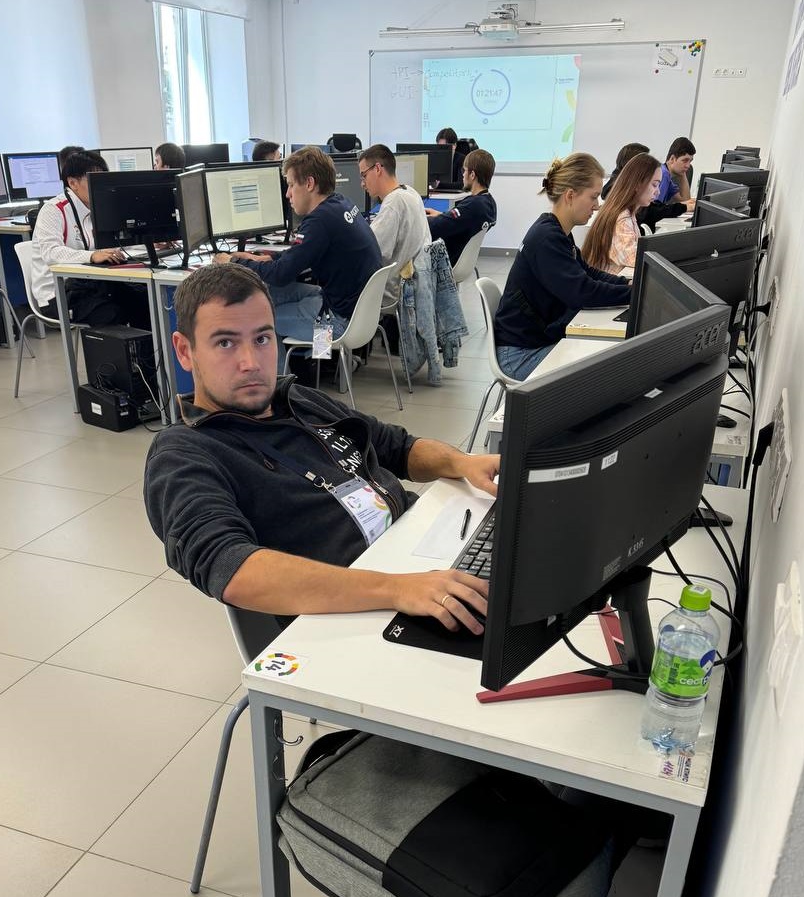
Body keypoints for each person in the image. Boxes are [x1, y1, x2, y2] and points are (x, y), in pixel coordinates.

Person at [143, 263, 498, 636]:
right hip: (355, 615)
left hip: (412, 562)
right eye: (225, 343)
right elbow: (231, 567)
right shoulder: (183, 453)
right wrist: (397, 589)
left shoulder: (297, 399)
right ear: (185, 351)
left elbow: (397, 446)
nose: (251, 363)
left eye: (262, 339)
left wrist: (464, 463)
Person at [212, 146, 381, 355]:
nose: (287, 194)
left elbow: (281, 275)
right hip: (350, 312)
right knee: (266, 295)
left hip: (337, 325)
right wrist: (267, 258)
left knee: (259, 320)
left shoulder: (319, 222)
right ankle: (317, 366)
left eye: (291, 185)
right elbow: (301, 253)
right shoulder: (339, 203)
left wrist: (233, 263)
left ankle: (283, 377)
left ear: (309, 183)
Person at [493, 153, 631, 381]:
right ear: (570, 195)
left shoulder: (556, 231)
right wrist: (634, 294)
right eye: (593, 197)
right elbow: (582, 292)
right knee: (606, 374)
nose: (597, 206)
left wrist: (626, 283)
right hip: (519, 355)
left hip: (534, 342)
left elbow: (586, 272)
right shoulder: (547, 238)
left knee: (608, 361)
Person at [29, 150, 151, 329]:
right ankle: (118, 349)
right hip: (59, 293)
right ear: (73, 183)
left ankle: (149, 348)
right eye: (93, 180)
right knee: (112, 313)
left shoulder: (99, 206)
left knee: (145, 298)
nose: (101, 186)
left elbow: (117, 242)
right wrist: (91, 256)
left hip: (93, 283)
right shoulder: (54, 210)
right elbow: (51, 253)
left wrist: (150, 243)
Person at [358, 144, 430, 308]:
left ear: (377, 169)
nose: (362, 184)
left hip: (391, 293)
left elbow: (371, 253)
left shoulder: (393, 204)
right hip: (413, 286)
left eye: (364, 175)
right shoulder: (410, 192)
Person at [582, 153, 662, 275]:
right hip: (608, 284)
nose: (658, 192)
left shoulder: (626, 212)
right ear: (637, 184)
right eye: (654, 185)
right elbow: (634, 257)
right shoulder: (621, 218)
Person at [425, 148, 497, 267]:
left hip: (445, 261)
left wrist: (418, 219)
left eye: (464, 171)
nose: (463, 175)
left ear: (472, 175)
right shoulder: (489, 203)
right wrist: (441, 215)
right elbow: (458, 220)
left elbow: (435, 227)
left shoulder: (473, 205)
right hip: (462, 260)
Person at [654, 137, 697, 206]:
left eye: (690, 161)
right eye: (685, 161)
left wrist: (683, 174)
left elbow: (686, 201)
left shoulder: (668, 177)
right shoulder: (663, 174)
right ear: (672, 159)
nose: (688, 166)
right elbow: (655, 208)